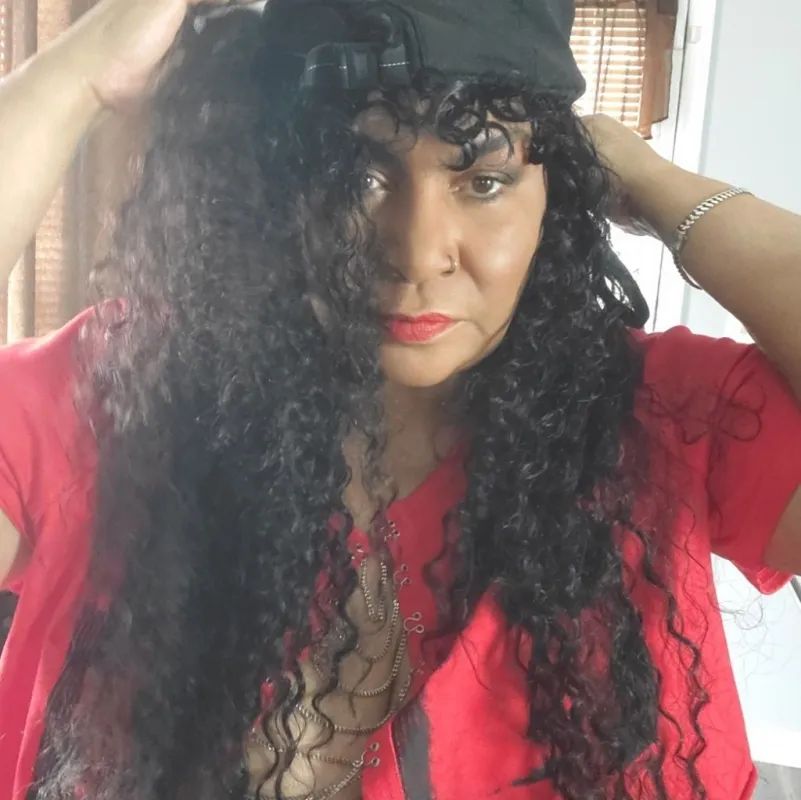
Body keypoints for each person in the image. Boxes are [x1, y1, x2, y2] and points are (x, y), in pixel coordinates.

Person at [1, 0, 800, 798]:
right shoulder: (128, 390)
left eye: (483, 181)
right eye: (358, 176)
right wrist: (78, 77)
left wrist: (656, 186)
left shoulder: (662, 416)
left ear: (553, 200)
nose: (417, 254)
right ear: (279, 187)